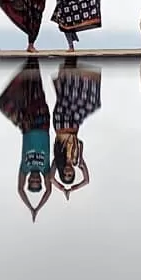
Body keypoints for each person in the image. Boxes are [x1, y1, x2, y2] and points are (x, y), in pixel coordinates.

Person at [0, 58, 54, 221]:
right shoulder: (46, 170)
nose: (35, 179)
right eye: (37, 182)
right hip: (42, 123)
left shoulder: (25, 168)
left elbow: (20, 190)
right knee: (36, 91)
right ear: (41, 180)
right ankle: (33, 63)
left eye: (32, 181)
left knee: (7, 103)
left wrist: (29, 208)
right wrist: (37, 208)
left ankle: (28, 65)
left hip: (27, 126)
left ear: (28, 179)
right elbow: (49, 191)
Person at [51, 57, 101, 199]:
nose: (68, 172)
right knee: (92, 103)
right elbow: (87, 180)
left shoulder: (57, 161)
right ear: (73, 172)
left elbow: (51, 179)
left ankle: (66, 72)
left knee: (66, 98)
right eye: (70, 174)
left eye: (65, 174)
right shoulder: (77, 161)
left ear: (62, 173)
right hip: (74, 125)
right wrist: (72, 189)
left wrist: (62, 188)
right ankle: (69, 71)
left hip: (61, 124)